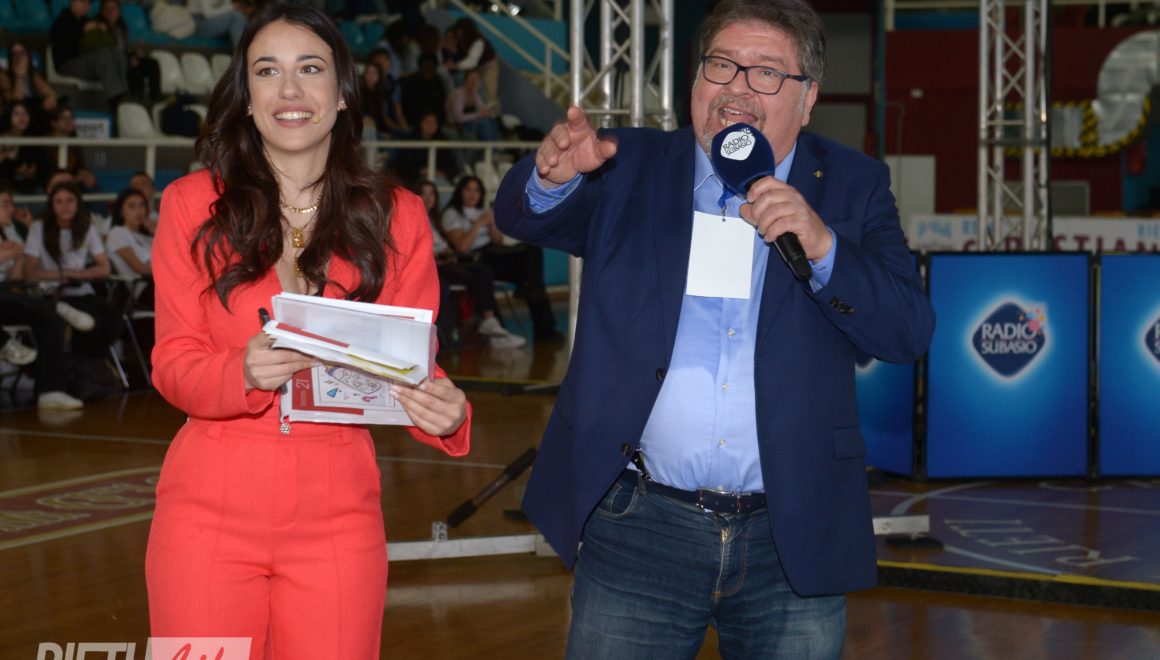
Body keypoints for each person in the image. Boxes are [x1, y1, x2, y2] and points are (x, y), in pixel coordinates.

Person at [493, 0, 936, 656]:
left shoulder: (852, 183)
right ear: (696, 80)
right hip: (638, 522)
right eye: (721, 65)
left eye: (766, 72)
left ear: (808, 99)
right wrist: (550, 180)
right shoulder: (627, 163)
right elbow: (523, 217)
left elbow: (907, 331)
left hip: (792, 530)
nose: (737, 88)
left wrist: (823, 246)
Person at [144, 6, 471, 659]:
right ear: (247, 95)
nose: (289, 90)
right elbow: (173, 362)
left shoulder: (398, 215)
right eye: (268, 71)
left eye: (310, 69)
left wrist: (446, 412)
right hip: (206, 514)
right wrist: (238, 372)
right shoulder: (191, 204)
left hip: (339, 519)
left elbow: (413, 364)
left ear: (342, 91)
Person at [0, 179, 86, 410]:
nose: (12, 209)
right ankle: (5, 342)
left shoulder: (10, 231)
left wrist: (19, 257)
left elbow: (15, 279)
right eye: (6, 204)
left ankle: (51, 390)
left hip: (8, 294)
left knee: (48, 317)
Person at [443, 175, 558, 341]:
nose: (472, 194)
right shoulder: (452, 214)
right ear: (460, 192)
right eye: (468, 190)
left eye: (476, 190)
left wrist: (492, 225)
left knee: (532, 257)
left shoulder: (484, 210)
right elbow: (462, 247)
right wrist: (479, 223)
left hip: (494, 251)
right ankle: (532, 292)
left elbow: (498, 241)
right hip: (476, 257)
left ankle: (545, 329)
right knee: (532, 278)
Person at [414, 179, 524, 349]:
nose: (428, 198)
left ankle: (492, 323)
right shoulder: (423, 219)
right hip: (435, 266)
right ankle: (490, 326)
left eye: (432, 194)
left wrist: (491, 222)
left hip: (451, 260)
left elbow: (498, 241)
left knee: (484, 271)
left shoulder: (434, 220)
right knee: (476, 276)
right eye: (423, 193)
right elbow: (456, 247)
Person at [22, 180, 122, 364]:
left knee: (110, 317)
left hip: (81, 290)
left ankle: (88, 365)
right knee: (64, 322)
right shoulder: (39, 227)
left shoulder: (87, 228)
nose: (65, 206)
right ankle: (74, 366)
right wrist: (72, 274)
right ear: (51, 205)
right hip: (49, 292)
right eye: (59, 201)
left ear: (78, 203)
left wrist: (73, 275)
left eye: (69, 200)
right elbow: (31, 273)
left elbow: (105, 268)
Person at [50, 0, 130, 111]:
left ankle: (125, 96)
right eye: (82, 2)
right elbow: (65, 48)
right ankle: (116, 100)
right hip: (67, 63)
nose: (86, 6)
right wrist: (83, 31)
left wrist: (103, 30)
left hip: (88, 63)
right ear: (73, 2)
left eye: (88, 3)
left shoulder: (89, 21)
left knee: (117, 55)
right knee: (103, 56)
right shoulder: (62, 21)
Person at [98, 0, 163, 105]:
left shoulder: (121, 28)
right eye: (107, 9)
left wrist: (134, 54)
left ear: (119, 11)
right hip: (111, 64)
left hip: (124, 59)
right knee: (133, 70)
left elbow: (124, 49)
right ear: (102, 11)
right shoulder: (98, 27)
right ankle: (135, 100)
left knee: (151, 63)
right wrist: (128, 60)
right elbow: (103, 53)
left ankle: (155, 97)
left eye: (114, 9)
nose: (111, 12)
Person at [0, 41, 59, 132]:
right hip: (13, 118)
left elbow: (51, 93)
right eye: (15, 54)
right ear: (10, 57)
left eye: (22, 53)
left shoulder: (33, 75)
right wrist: (19, 76)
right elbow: (15, 103)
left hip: (32, 115)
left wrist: (51, 98)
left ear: (28, 56)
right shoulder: (4, 77)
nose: (18, 57)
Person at [0, 101, 51, 195]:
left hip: (30, 183)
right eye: (17, 114)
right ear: (8, 116)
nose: (22, 118)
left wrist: (32, 170)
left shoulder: (33, 137)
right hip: (5, 185)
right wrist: (12, 166)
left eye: (25, 113)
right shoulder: (2, 137)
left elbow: (42, 164)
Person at [446, 67, 499, 142]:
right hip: (455, 124)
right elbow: (458, 118)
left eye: (477, 79)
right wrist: (479, 114)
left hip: (469, 122)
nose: (474, 82)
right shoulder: (459, 94)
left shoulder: (476, 94)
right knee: (482, 122)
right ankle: (489, 147)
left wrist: (488, 112)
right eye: (471, 79)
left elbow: (483, 111)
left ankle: (494, 146)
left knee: (491, 120)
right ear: (465, 81)